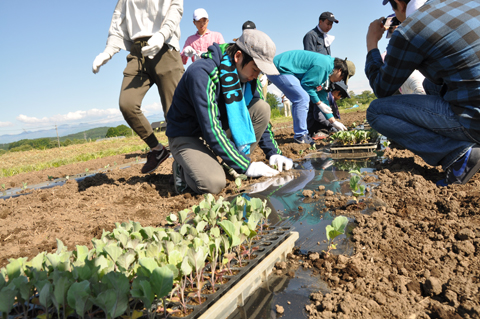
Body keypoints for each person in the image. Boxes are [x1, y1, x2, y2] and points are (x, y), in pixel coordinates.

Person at [365, 0, 480, 186]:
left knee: (376, 111)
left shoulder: (410, 30)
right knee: (429, 84)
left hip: (475, 122)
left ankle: (459, 153)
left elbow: (382, 88)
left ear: (399, 5)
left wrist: (372, 44)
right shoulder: (468, 3)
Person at [166, 29, 294, 194]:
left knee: (262, 108)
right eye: (255, 69)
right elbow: (211, 127)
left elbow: (258, 114)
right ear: (238, 56)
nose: (256, 75)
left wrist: (273, 153)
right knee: (213, 184)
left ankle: (228, 163)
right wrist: (245, 165)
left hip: (216, 129)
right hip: (187, 134)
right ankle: (182, 168)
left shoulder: (247, 78)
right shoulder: (203, 73)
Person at [92, 0, 184, 174]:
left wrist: (162, 34)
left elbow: (176, 8)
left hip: (165, 48)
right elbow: (118, 22)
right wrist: (108, 51)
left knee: (175, 113)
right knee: (127, 104)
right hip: (138, 53)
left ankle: (182, 165)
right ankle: (157, 150)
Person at [268, 50, 355, 145]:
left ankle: (301, 135)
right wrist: (318, 103)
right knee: (302, 98)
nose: (339, 81)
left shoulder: (327, 71)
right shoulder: (323, 66)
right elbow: (306, 85)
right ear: (339, 70)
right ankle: (300, 136)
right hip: (280, 67)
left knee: (301, 98)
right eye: (342, 78)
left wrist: (333, 121)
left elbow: (322, 96)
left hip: (286, 70)